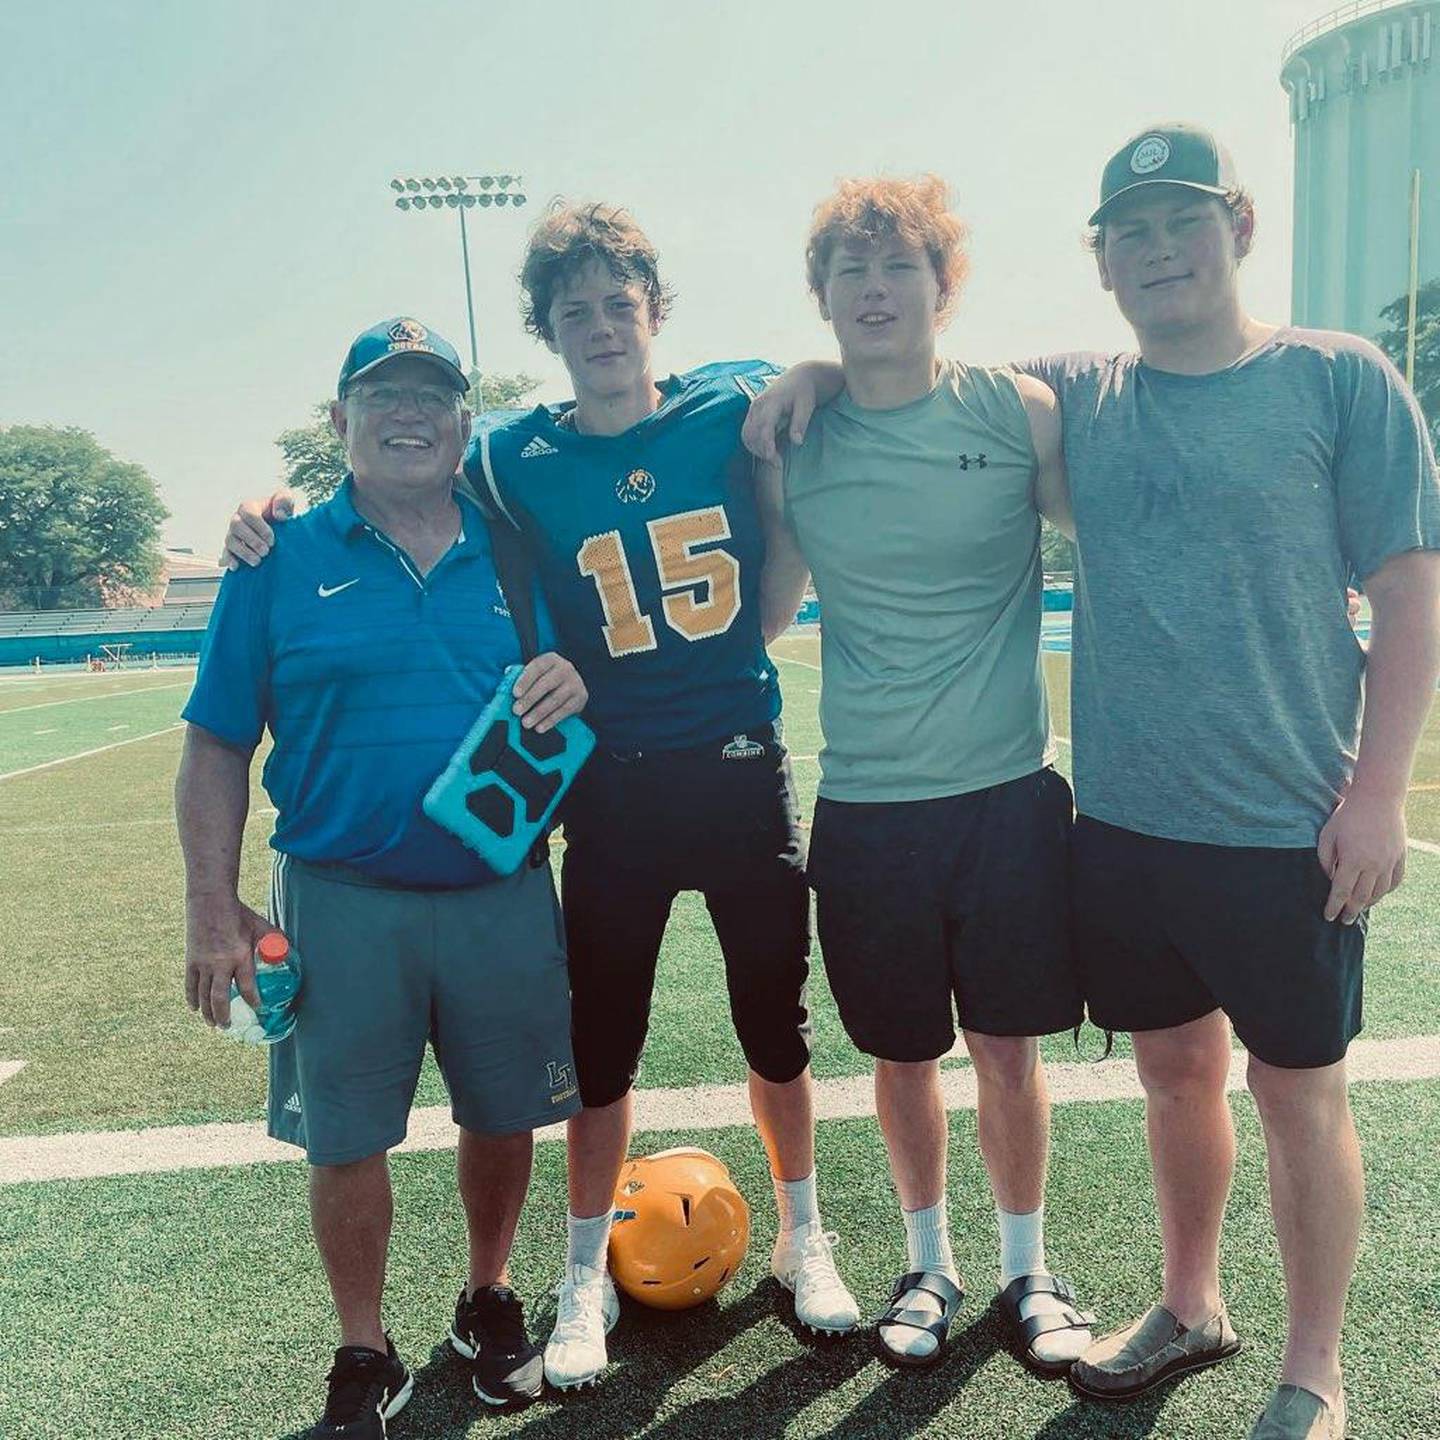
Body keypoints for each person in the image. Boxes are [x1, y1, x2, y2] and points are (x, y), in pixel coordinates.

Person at [752, 125, 1440, 1440]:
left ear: (1238, 227)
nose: (1158, 248)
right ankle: (1191, 1304)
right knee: (1176, 1072)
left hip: (1286, 816)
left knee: (1298, 1087)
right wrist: (811, 365)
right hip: (1120, 822)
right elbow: (904, 369)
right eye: (1131, 230)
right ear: (1101, 260)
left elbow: (1413, 593)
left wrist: (1376, 794)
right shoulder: (1071, 391)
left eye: (1183, 221)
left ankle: (1316, 1370)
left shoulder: (1339, 378)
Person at [221, 208, 860, 1395]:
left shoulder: (738, 400)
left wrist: (820, 364)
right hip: (607, 783)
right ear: (547, 331)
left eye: (620, 305)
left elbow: (827, 389)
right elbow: (390, 464)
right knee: (599, 1050)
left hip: (736, 756)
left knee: (776, 1021)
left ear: (654, 313)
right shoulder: (507, 452)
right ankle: (575, 1282)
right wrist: (267, 510)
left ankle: (801, 1235)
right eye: (575, 312)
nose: (602, 327)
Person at [178, 318, 589, 1434]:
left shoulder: (517, 550)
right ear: (340, 419)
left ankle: (487, 1297)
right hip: (340, 897)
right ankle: (364, 1350)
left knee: (503, 1116)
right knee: (345, 1135)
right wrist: (210, 906)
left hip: (501, 891)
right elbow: (217, 742)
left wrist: (568, 679)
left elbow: (573, 682)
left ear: (464, 422)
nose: (408, 415)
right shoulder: (278, 558)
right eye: (382, 395)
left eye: (432, 397)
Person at [740, 176, 1095, 1373]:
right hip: (871, 806)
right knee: (901, 1055)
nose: (875, 290)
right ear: (821, 297)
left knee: (1007, 1049)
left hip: (1005, 799)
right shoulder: (793, 439)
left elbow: (1119, 540)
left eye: (899, 267)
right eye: (851, 271)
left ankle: (1025, 1268)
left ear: (948, 285)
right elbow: (765, 602)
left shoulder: (1022, 413)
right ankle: (929, 1262)